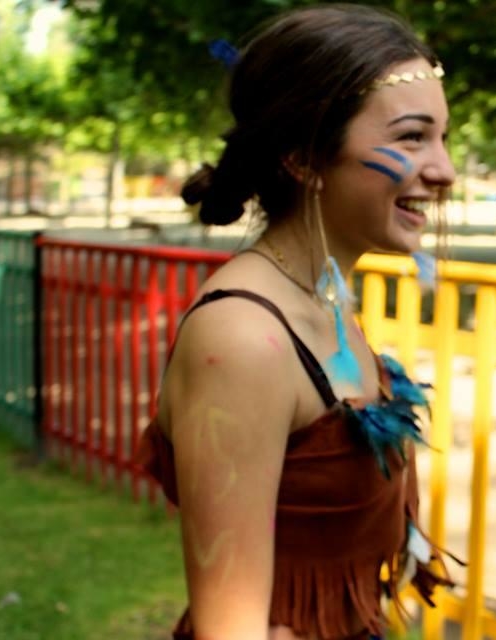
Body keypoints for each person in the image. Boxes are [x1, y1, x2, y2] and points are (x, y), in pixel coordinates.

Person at [133, 5, 458, 639]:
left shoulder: (320, 298)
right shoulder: (243, 338)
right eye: (412, 138)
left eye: (443, 138)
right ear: (305, 157)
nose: (444, 170)